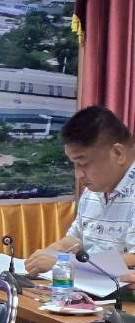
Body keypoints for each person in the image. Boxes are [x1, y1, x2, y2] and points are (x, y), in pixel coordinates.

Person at [24, 106, 135, 277]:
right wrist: (50, 252)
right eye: (74, 164)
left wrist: (63, 263)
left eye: (83, 163)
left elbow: (133, 259)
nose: (78, 175)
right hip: (90, 284)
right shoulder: (94, 189)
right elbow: (76, 240)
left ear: (118, 153)